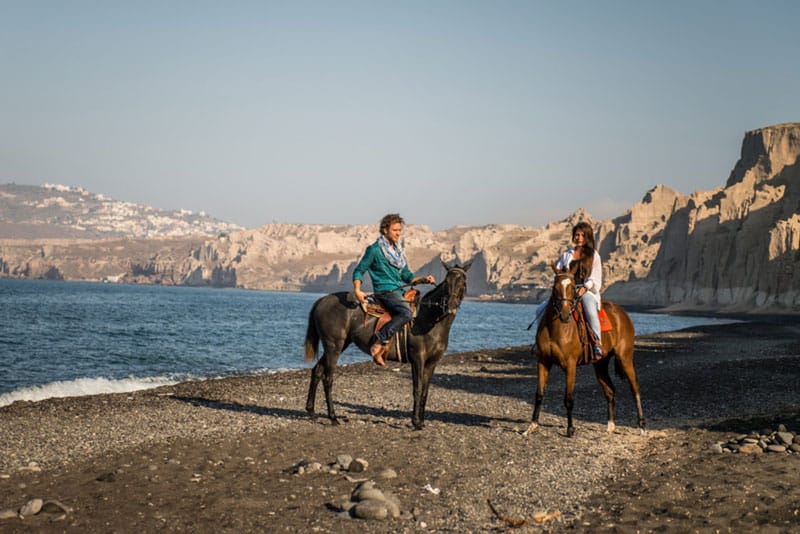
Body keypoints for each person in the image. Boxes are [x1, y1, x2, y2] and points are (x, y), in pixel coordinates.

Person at [353, 213, 435, 366]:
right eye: (395, 230)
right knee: (406, 312)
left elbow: (407, 275)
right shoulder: (374, 250)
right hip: (385, 291)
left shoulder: (397, 252)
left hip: (399, 291)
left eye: (399, 230)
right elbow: (359, 270)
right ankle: (379, 341)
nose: (398, 233)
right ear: (385, 230)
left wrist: (423, 280)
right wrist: (358, 290)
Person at [531, 221, 604, 359]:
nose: (579, 238)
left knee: (590, 310)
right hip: (566, 291)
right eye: (577, 235)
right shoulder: (567, 255)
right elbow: (559, 272)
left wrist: (584, 288)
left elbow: (595, 277)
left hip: (585, 290)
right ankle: (539, 343)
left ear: (588, 237)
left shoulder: (594, 255)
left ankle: (597, 343)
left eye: (583, 235)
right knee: (540, 309)